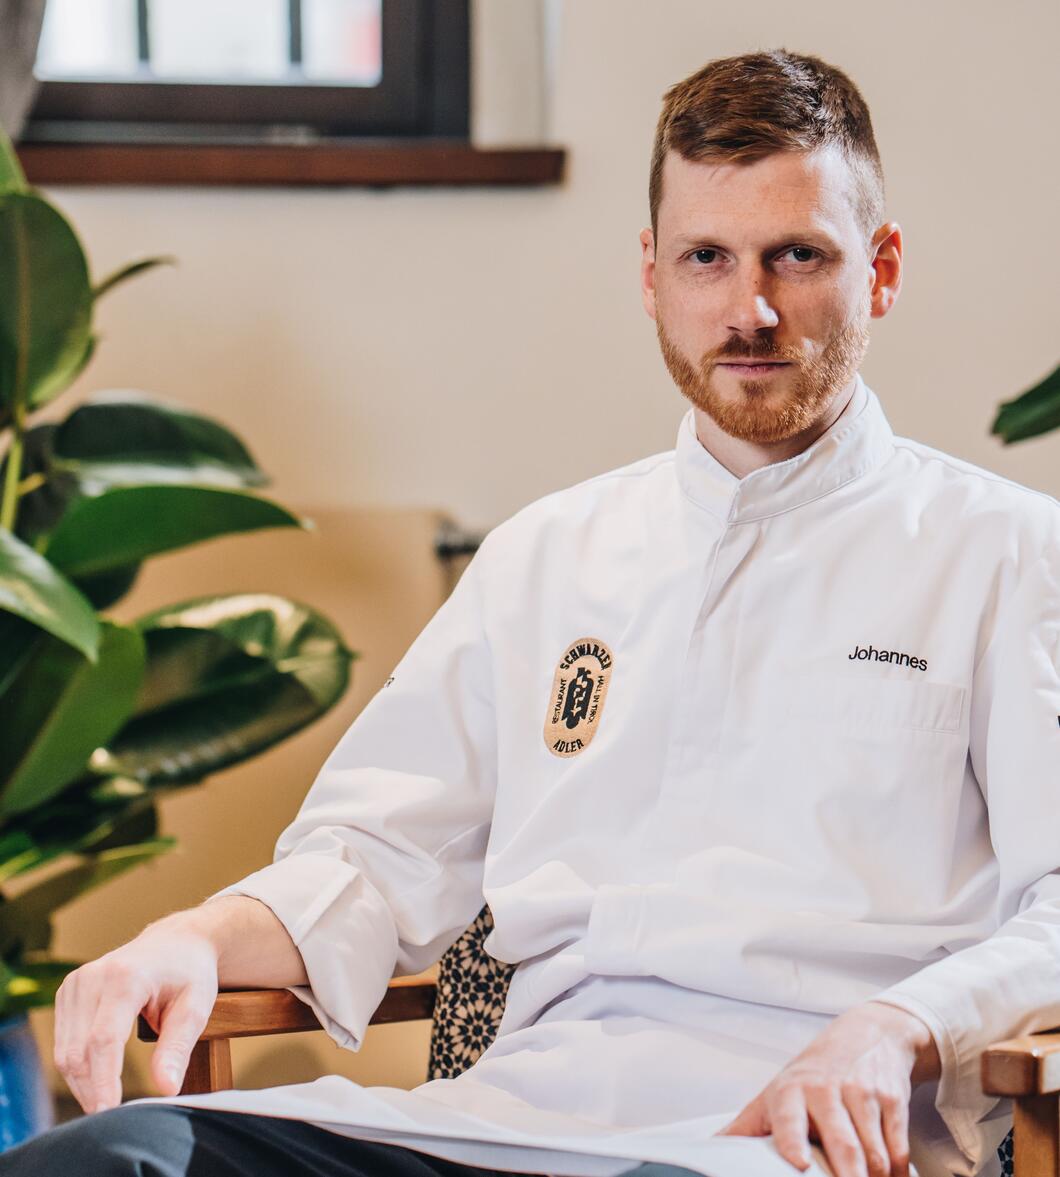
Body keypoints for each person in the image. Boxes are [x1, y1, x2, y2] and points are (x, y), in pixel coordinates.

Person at [4, 47, 1058, 1177]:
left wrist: (900, 1026)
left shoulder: (1008, 556)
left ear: (880, 270)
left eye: (797, 256)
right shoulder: (545, 556)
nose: (749, 309)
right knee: (105, 1160)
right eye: (706, 257)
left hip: (785, 1146)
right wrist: (191, 937)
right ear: (651, 274)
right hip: (505, 1123)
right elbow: (374, 858)